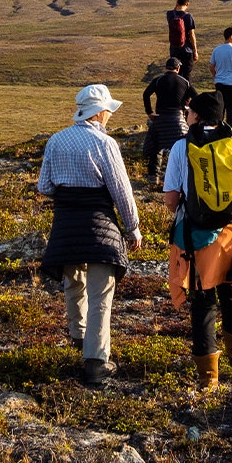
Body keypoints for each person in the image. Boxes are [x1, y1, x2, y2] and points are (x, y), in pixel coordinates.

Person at [163, 92, 232, 390]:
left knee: (202, 303)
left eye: (189, 112)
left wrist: (182, 210)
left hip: (195, 237)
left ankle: (207, 379)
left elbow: (171, 198)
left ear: (197, 115)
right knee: (231, 292)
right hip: (231, 235)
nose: (186, 116)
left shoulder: (181, 146)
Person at [37, 84, 144, 386]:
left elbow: (44, 186)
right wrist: (132, 227)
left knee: (74, 283)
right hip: (100, 226)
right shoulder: (105, 143)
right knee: (100, 293)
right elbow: (121, 191)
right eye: (108, 109)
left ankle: (78, 337)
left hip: (66, 226)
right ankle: (96, 362)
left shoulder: (55, 141)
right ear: (98, 112)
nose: (110, 114)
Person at [142, 57, 194, 186]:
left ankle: (154, 176)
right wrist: (188, 110)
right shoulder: (184, 82)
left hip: (160, 118)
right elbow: (197, 97)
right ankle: (182, 176)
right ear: (178, 68)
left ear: (166, 68)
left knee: (156, 147)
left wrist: (149, 112)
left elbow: (146, 94)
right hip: (178, 120)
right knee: (182, 149)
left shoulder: (159, 80)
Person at [208, 27, 232, 130]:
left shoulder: (217, 49)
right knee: (231, 111)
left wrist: (216, 75)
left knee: (220, 108)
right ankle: (230, 130)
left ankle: (218, 129)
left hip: (220, 83)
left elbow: (211, 66)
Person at [166, 0, 198, 80]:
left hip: (174, 48)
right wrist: (195, 51)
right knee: (186, 75)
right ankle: (186, 92)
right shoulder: (188, 16)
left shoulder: (169, 14)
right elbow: (192, 34)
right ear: (187, 4)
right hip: (186, 50)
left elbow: (174, 11)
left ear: (177, 3)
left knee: (176, 74)